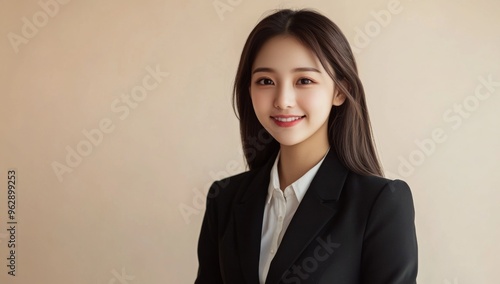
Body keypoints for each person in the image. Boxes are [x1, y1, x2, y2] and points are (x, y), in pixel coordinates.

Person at [195, 8, 418, 284]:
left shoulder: (380, 203)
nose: (283, 100)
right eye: (266, 81)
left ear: (339, 91)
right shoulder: (225, 199)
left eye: (304, 80)